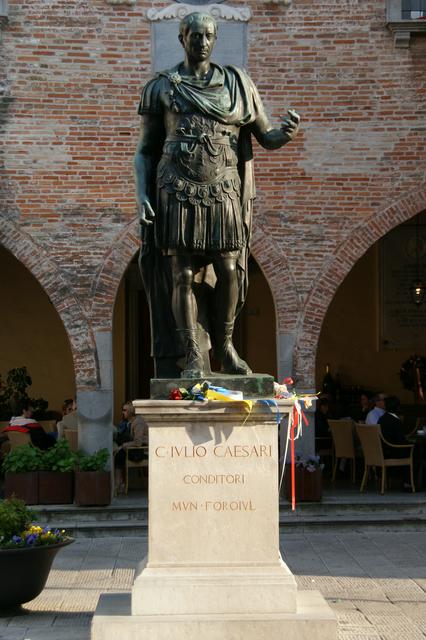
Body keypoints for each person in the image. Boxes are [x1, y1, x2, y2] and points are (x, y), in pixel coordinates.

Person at [135, 12, 300, 379]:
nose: (202, 41)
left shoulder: (237, 84)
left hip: (224, 183)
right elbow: (145, 149)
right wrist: (141, 194)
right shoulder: (160, 87)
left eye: (208, 35)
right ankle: (193, 354)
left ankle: (224, 345)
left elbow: (266, 136)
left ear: (215, 38)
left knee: (229, 268)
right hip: (174, 186)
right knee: (182, 273)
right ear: (182, 38)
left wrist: (284, 134)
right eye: (195, 35)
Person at [114, 401, 149, 494]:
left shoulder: (138, 423)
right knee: (119, 455)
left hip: (142, 451)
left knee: (119, 455)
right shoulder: (130, 422)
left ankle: (119, 484)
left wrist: (123, 446)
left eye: (125, 410)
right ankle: (120, 483)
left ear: (131, 411)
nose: (123, 412)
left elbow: (138, 442)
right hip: (136, 450)